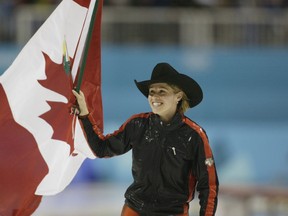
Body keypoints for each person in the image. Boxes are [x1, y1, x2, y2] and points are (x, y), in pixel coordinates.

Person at [72, 62, 219, 216]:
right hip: (134, 210)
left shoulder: (194, 135)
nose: (155, 97)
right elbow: (101, 148)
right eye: (151, 92)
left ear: (178, 96)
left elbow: (208, 185)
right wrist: (84, 115)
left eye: (162, 91)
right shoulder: (137, 125)